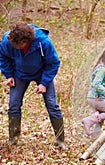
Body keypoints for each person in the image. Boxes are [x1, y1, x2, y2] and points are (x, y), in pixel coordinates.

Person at [0, 21, 68, 150]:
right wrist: (8, 75)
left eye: (18, 44)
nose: (15, 46)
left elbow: (53, 63)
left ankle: (60, 140)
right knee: (13, 105)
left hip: (42, 73)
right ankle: (13, 139)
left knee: (52, 105)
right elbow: (3, 57)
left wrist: (44, 83)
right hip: (19, 74)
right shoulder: (7, 40)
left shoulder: (44, 42)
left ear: (26, 40)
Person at [81, 44, 105, 138]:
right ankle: (89, 120)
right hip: (95, 98)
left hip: (95, 98)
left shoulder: (102, 68)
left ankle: (94, 138)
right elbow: (96, 84)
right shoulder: (101, 69)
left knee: (100, 120)